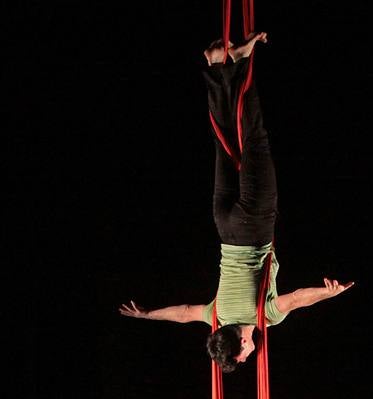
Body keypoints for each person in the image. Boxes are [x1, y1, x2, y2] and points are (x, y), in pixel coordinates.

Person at [119, 34, 355, 372]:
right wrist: (147, 315)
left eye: (241, 358)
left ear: (242, 344)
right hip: (224, 225)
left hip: (253, 225)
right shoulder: (215, 314)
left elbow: (295, 299)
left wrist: (327, 293)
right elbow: (184, 313)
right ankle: (216, 63)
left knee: (253, 140)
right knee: (224, 142)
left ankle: (242, 60)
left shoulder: (264, 316)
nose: (246, 358)